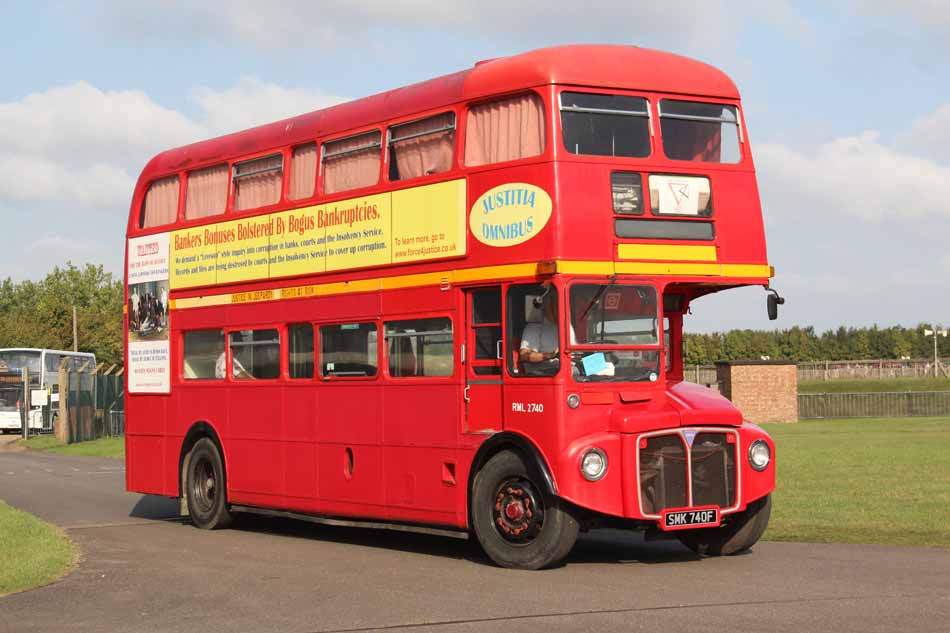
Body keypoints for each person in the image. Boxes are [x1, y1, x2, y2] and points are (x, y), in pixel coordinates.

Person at [519, 294, 561, 375]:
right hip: (546, 371)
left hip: (572, 368)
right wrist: (551, 355)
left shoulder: (567, 325)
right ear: (546, 306)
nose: (560, 307)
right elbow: (524, 355)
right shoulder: (535, 326)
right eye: (556, 303)